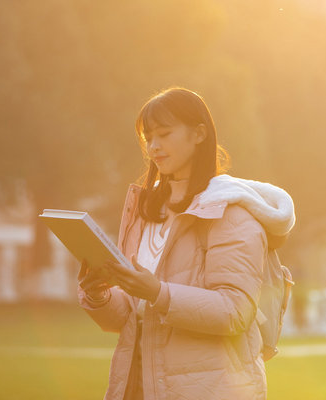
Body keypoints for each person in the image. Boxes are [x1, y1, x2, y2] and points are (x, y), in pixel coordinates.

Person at [78, 87, 295, 400]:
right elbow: (130, 318)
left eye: (164, 133)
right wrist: (97, 293)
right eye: (147, 136)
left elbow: (235, 311)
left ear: (199, 134)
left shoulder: (231, 211)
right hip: (137, 387)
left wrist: (156, 291)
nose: (154, 146)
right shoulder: (147, 209)